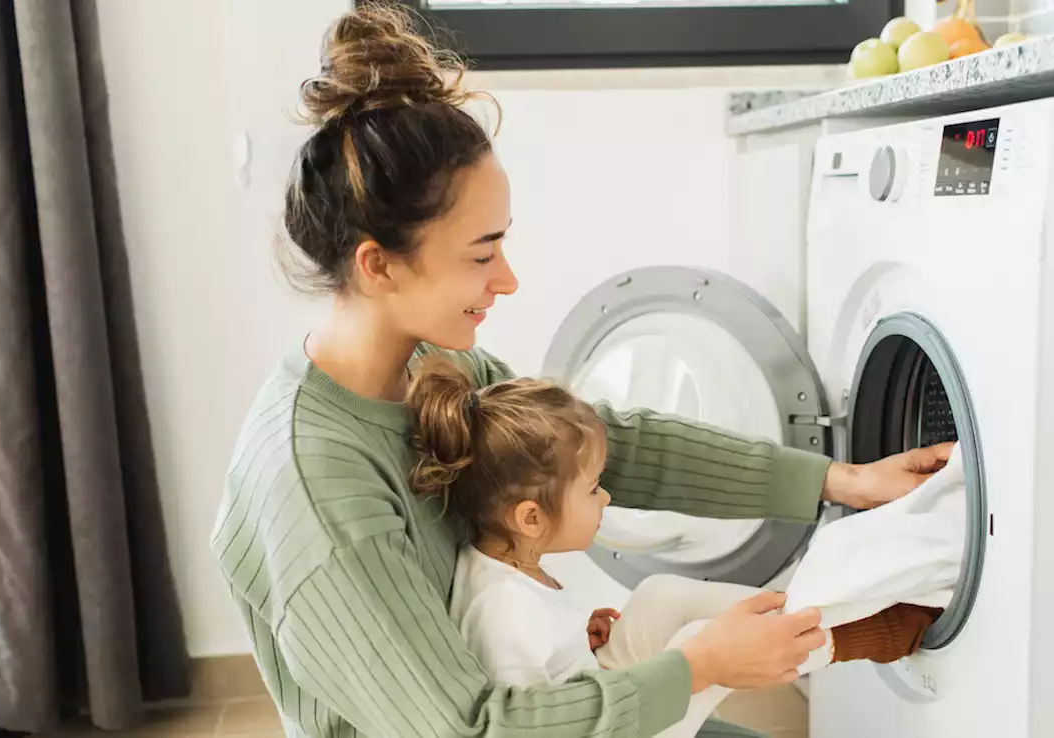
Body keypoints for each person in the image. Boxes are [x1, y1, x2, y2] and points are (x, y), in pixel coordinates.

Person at [210, 4, 953, 737]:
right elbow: (473, 730)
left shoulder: (436, 365)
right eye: (481, 254)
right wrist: (698, 667)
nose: (508, 280)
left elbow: (605, 447)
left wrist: (838, 480)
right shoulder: (318, 488)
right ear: (379, 267)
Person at [409, 355, 944, 738]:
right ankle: (869, 631)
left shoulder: (508, 566)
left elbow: (541, 666)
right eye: (593, 488)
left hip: (599, 692)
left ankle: (809, 605)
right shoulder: (503, 610)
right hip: (613, 728)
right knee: (695, 639)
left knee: (660, 595)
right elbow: (531, 721)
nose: (608, 495)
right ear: (530, 518)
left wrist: (577, 638)